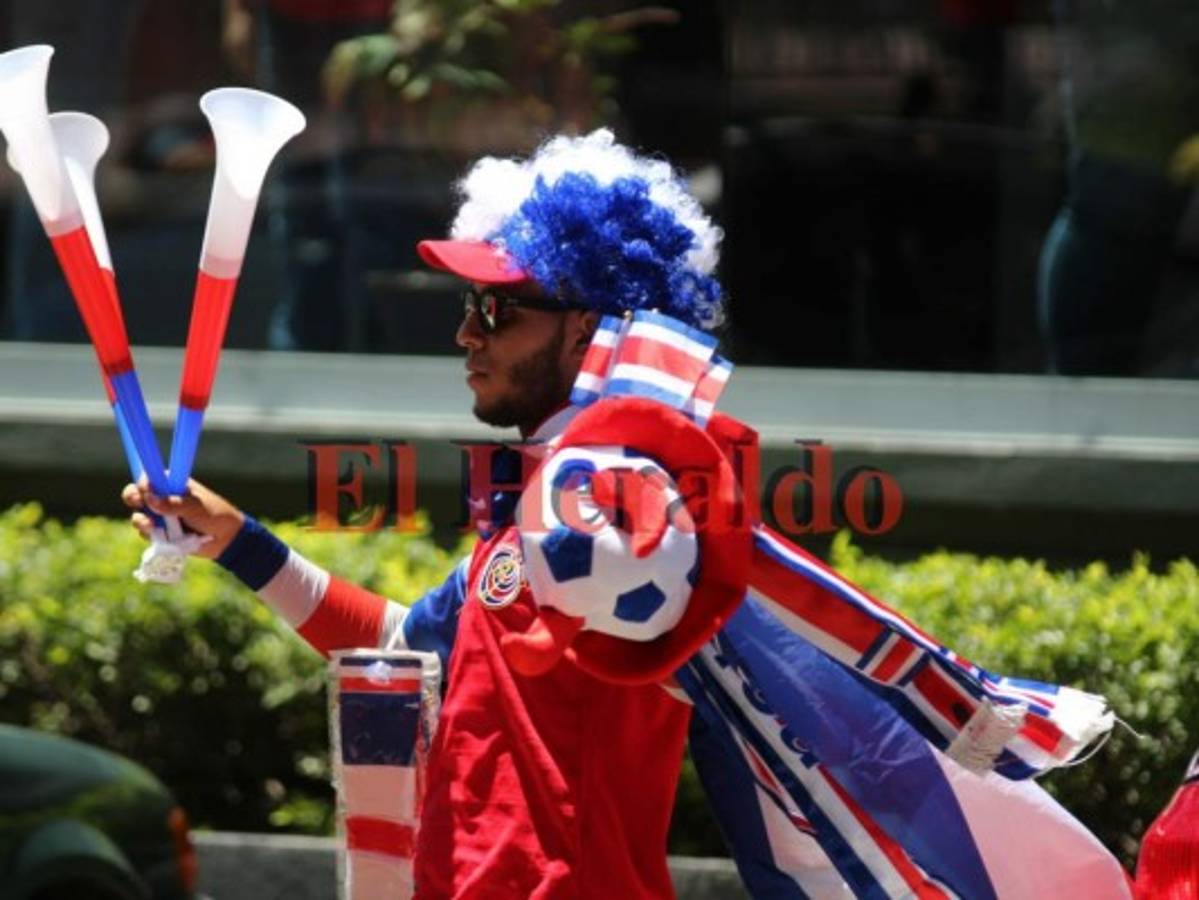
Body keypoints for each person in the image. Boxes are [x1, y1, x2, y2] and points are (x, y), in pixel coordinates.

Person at [124, 129, 726, 899]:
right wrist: (238, 543)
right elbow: (406, 649)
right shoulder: (542, 509)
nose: (465, 333)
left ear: (585, 328)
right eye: (471, 305)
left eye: (497, 309)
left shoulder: (633, 512)